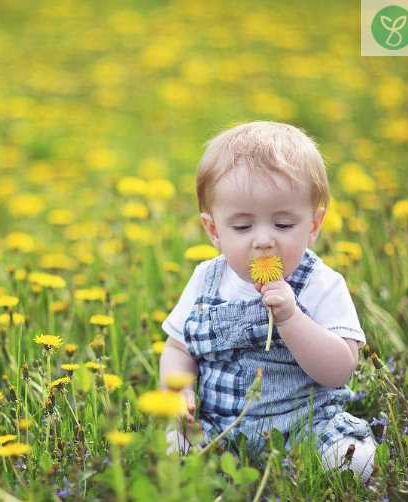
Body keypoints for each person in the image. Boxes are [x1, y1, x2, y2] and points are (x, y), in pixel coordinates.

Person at [159, 121, 376, 482]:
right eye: (243, 227)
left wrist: (291, 319)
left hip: (306, 425)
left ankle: (322, 460)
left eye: (284, 224)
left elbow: (339, 369)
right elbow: (178, 347)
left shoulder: (320, 284)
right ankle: (213, 465)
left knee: (354, 461)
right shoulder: (206, 280)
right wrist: (178, 389)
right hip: (221, 427)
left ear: (313, 224)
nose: (263, 240)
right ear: (214, 230)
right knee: (173, 451)